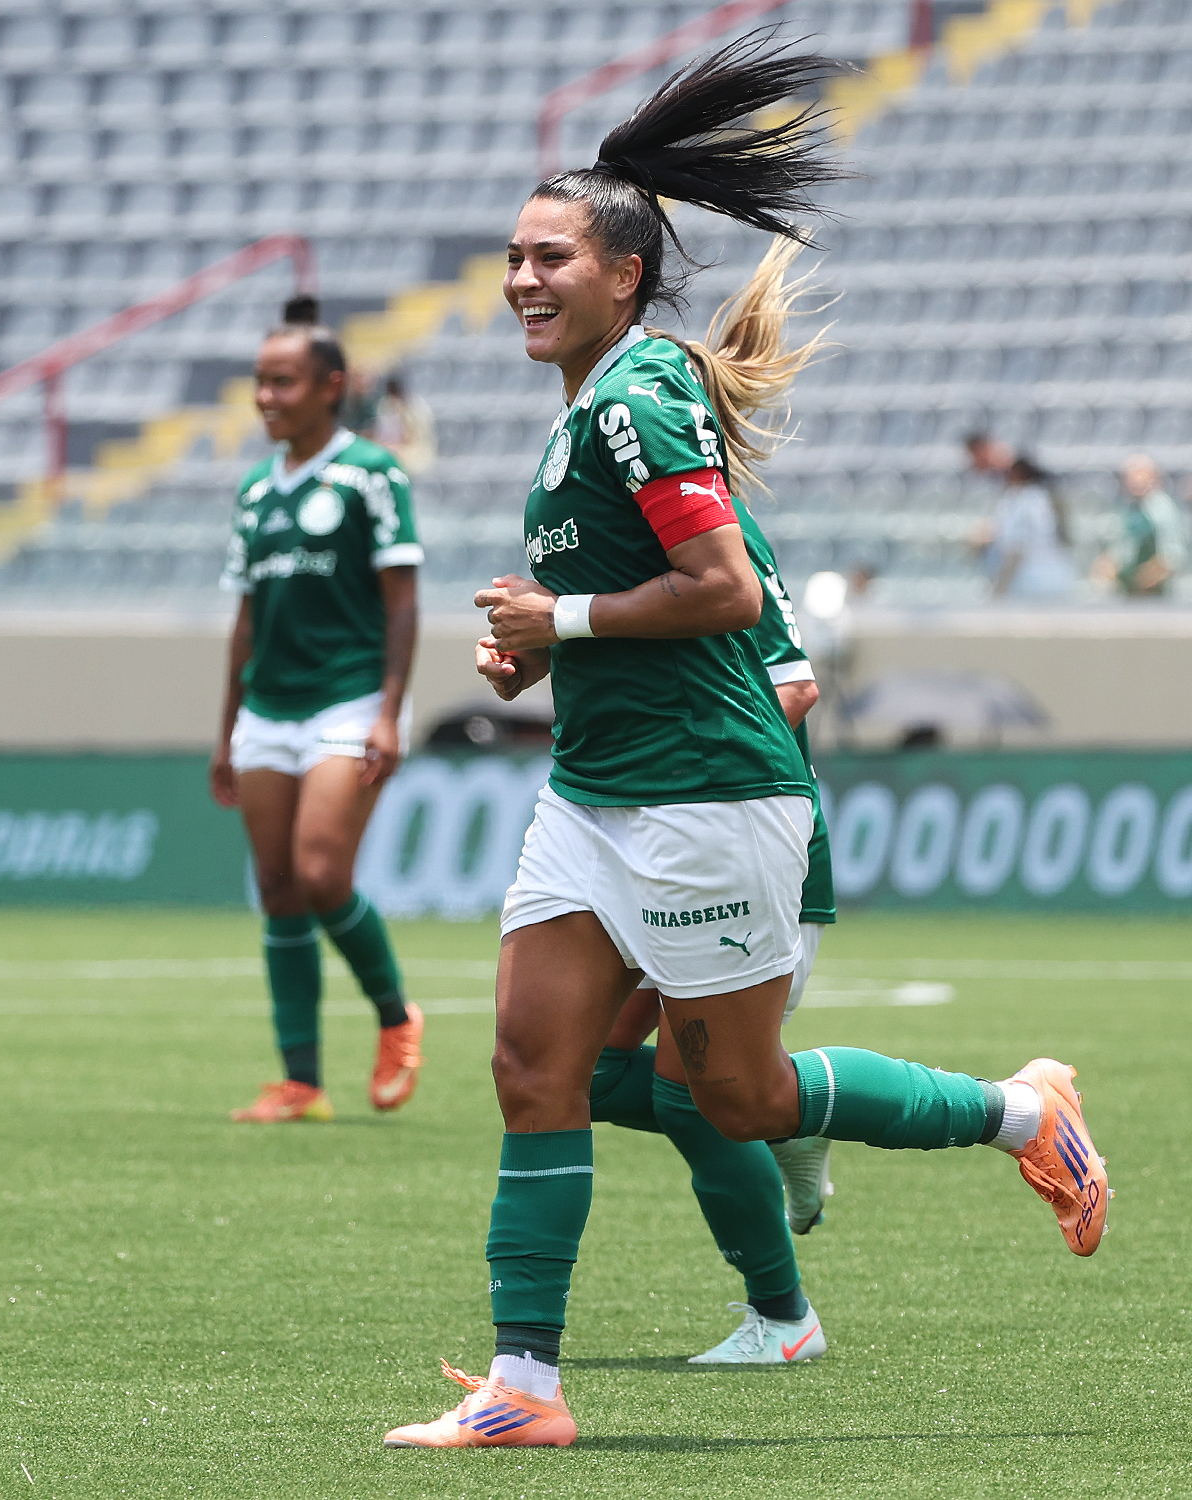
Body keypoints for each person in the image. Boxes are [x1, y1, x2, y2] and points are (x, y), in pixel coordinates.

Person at [383, 36, 1109, 1453]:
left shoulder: (647, 394)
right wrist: (542, 642)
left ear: (625, 275)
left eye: (551, 260)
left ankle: (1023, 1111)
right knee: (535, 1069)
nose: (523, 280)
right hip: (596, 795)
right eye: (514, 258)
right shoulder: (588, 407)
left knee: (737, 1095)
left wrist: (564, 615)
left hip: (710, 801)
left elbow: (718, 591)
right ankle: (524, 1389)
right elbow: (655, 609)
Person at [590, 452, 838, 1367]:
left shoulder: (717, 536)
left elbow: (794, 683)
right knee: (585, 1076)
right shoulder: (616, 541)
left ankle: (783, 1318)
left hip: (726, 831)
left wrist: (680, 764)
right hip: (644, 837)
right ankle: (786, 1107)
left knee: (687, 1088)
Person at [211, 295, 425, 1124]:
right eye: (260, 383)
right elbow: (243, 620)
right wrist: (227, 726)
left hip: (349, 698)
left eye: (283, 382)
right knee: (276, 887)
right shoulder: (255, 490)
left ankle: (394, 1015)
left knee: (320, 873)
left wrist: (389, 712)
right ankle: (300, 1080)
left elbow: (402, 601)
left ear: (331, 386)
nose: (267, 397)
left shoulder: (373, 473)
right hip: (268, 708)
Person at [977, 455, 1076, 599]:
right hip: (1039, 573)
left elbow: (1019, 539)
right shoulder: (1022, 497)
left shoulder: (1030, 499)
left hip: (1035, 572)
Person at [1092, 453, 1188, 597]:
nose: (1137, 481)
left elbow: (1174, 554)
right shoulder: (1126, 507)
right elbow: (1121, 548)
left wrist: (1150, 574)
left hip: (1159, 590)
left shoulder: (1163, 508)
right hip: (1128, 587)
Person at [373, 372, 437, 477]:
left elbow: (417, 438)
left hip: (416, 453)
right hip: (394, 449)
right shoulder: (386, 405)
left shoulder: (416, 408)